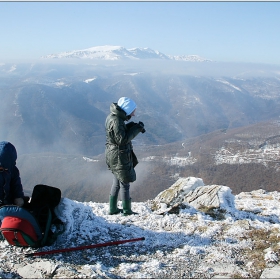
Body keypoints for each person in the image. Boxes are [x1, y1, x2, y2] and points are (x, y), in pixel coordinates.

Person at [105, 97, 145, 215]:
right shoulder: (117, 121)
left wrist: (131, 126)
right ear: (127, 110)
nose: (134, 113)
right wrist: (136, 129)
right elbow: (122, 140)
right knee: (125, 183)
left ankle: (113, 209)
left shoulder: (113, 117)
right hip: (119, 156)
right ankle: (127, 210)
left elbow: (117, 134)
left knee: (117, 182)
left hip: (113, 154)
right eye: (133, 111)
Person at [0, 141, 25, 207]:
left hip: (8, 205)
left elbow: (16, 185)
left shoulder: (13, 170)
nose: (5, 170)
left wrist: (18, 197)